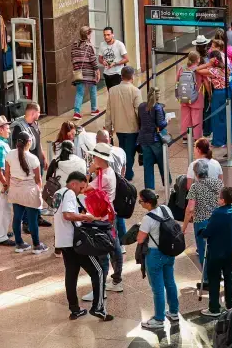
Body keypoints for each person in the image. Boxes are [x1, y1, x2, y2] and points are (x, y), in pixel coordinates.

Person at [54, 171, 114, 322]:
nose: (81, 191)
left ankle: (75, 310)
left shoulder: (58, 193)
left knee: (71, 275)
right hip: (76, 242)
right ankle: (98, 308)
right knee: (99, 271)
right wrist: (86, 217)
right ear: (73, 183)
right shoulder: (68, 193)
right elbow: (67, 215)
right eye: (80, 187)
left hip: (63, 242)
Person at [200, 186, 232, 316]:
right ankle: (230, 305)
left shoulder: (217, 213)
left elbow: (208, 231)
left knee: (214, 279)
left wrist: (202, 232)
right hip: (231, 252)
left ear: (223, 200)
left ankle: (214, 308)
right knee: (230, 277)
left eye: (219, 197)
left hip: (216, 253)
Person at [137, 189, 180, 329]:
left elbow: (140, 239)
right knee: (170, 282)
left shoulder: (148, 218)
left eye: (141, 201)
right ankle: (174, 312)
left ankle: (159, 319)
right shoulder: (166, 209)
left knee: (157, 288)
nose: (140, 203)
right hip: (169, 252)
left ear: (148, 203)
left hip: (155, 255)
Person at [84, 143, 123, 294]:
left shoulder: (104, 176)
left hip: (103, 218)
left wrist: (89, 172)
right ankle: (116, 280)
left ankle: (101, 287)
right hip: (109, 215)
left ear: (100, 159)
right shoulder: (108, 172)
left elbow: (84, 189)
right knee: (114, 246)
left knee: (103, 252)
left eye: (95, 156)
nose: (93, 159)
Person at [182, 159, 223, 297]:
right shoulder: (218, 184)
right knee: (217, 248)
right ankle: (218, 274)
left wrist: (184, 227)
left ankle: (207, 279)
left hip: (202, 223)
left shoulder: (195, 187)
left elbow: (190, 209)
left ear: (196, 173)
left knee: (204, 251)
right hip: (217, 221)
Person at [7, 132, 47, 253]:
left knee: (17, 218)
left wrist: (8, 187)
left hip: (15, 190)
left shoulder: (9, 154)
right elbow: (38, 179)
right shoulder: (33, 158)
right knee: (32, 219)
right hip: (29, 191)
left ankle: (19, 243)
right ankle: (37, 245)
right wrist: (38, 191)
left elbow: (7, 174)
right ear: (28, 142)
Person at [105, 66, 141, 181]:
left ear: (121, 76)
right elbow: (138, 111)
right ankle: (127, 174)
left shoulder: (112, 90)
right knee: (129, 153)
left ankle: (122, 172)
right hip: (132, 128)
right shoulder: (135, 91)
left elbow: (109, 110)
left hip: (118, 127)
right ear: (132, 77)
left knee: (122, 150)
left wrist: (108, 128)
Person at [197, 50, 232, 151]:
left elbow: (197, 70)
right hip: (230, 92)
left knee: (218, 118)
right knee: (230, 117)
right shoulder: (227, 67)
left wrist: (208, 63)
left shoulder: (212, 71)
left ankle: (219, 142)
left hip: (219, 94)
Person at [137, 87, 169, 189]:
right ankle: (168, 183)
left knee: (148, 165)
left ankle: (150, 188)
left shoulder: (141, 106)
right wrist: (167, 120)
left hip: (144, 139)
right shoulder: (157, 108)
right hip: (155, 139)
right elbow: (160, 124)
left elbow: (139, 122)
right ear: (158, 97)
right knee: (162, 162)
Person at [71, 26, 101, 120]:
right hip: (89, 72)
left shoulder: (74, 44)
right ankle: (94, 109)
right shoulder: (89, 46)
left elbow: (73, 58)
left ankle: (76, 112)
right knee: (93, 90)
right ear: (88, 35)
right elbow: (92, 60)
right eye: (90, 34)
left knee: (79, 92)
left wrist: (77, 68)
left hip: (79, 72)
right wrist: (97, 71)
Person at [177, 50, 206, 139]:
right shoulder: (199, 69)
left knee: (185, 118)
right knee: (196, 118)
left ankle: (185, 137)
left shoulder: (182, 68)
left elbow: (177, 81)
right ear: (198, 59)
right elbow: (206, 81)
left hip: (184, 96)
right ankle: (197, 137)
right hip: (196, 97)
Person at [98, 27, 129, 92]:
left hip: (117, 74)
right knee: (111, 94)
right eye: (104, 35)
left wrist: (115, 63)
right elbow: (99, 58)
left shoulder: (119, 44)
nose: (106, 37)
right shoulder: (102, 44)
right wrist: (102, 61)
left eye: (108, 35)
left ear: (112, 35)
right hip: (107, 74)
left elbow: (126, 59)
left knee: (118, 94)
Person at [0, 116, 13, 246]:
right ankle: (1, 236)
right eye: (7, 128)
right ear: (0, 129)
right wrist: (5, 183)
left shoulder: (2, 143)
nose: (9, 131)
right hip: (2, 183)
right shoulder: (0, 145)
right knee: (4, 209)